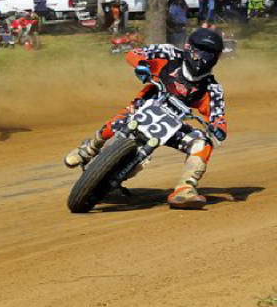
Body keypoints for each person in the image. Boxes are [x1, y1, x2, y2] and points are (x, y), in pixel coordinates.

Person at [64, 29, 227, 210]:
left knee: (203, 142)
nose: (205, 57)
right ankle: (90, 148)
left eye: (211, 53)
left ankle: (185, 187)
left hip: (175, 123)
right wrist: (142, 64)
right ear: (189, 47)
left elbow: (218, 115)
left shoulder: (212, 87)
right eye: (202, 50)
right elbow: (136, 53)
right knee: (114, 124)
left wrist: (217, 127)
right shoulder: (170, 53)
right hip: (145, 104)